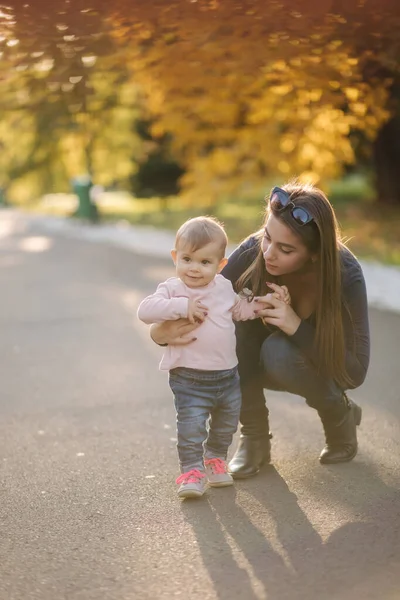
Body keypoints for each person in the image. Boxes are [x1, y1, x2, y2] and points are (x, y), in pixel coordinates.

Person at [150, 181, 370, 479]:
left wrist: (294, 325)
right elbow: (200, 306)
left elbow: (354, 372)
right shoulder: (252, 252)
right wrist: (159, 336)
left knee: (278, 352)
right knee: (232, 326)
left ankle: (338, 417)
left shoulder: (345, 275)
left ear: (314, 254)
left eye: (286, 249)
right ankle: (255, 439)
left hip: (308, 364)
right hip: (251, 363)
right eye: (267, 237)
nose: (268, 253)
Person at [137, 216, 290, 498]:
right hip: (188, 378)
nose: (194, 269)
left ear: (220, 265)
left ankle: (215, 459)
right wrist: (181, 306)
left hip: (228, 377)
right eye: (187, 259)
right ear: (175, 257)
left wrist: (265, 304)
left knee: (226, 425)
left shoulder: (222, 288)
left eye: (205, 262)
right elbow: (145, 311)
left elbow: (240, 311)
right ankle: (191, 471)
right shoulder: (173, 290)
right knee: (192, 427)